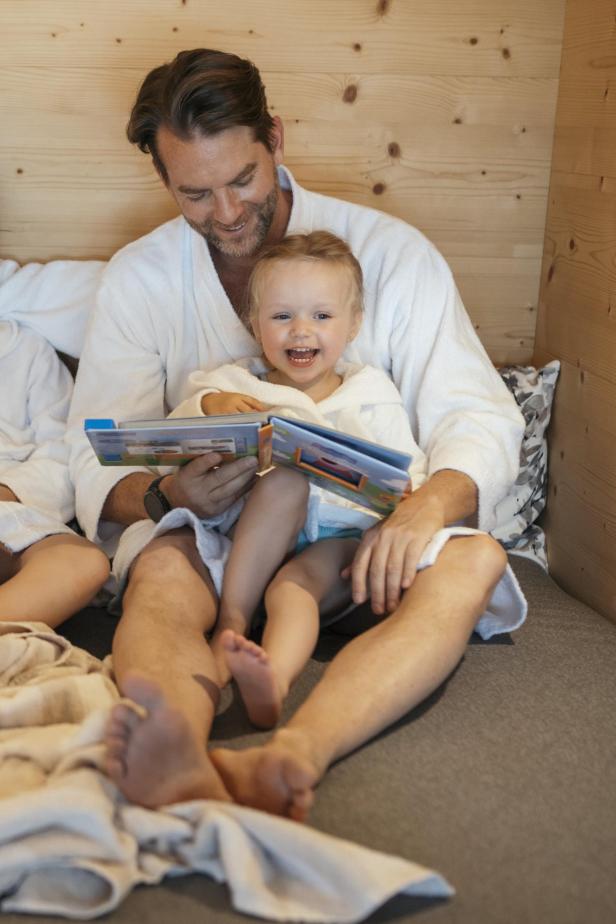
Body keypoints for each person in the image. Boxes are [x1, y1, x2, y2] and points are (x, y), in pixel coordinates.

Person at [65, 48, 525, 814]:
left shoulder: (390, 255)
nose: (227, 213)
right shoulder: (140, 279)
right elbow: (93, 454)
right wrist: (164, 495)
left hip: (366, 546)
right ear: (163, 180)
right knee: (163, 568)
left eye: (242, 179)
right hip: (228, 540)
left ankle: (295, 754)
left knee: (474, 561)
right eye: (196, 194)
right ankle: (174, 747)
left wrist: (421, 511)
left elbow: (476, 416)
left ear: (275, 138)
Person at [171, 230, 429, 728]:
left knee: (293, 589)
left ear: (353, 325)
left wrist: (400, 505)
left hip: (336, 542)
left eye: (322, 316)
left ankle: (273, 679)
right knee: (285, 479)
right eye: (282, 316)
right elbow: (182, 421)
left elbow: (406, 472)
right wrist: (214, 406)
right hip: (258, 539)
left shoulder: (371, 393)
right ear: (255, 323)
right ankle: (232, 623)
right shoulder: (235, 383)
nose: (301, 331)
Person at [0, 318, 110, 625]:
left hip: (12, 503)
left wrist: (9, 492)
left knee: (83, 563)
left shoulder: (27, 349)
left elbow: (65, 452)